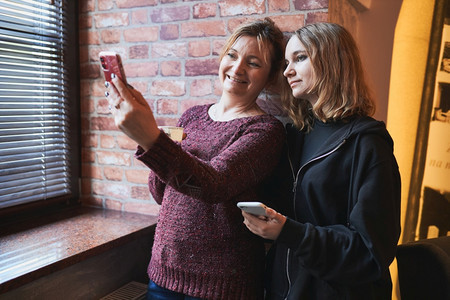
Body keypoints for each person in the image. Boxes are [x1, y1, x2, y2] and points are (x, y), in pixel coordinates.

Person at [105, 18, 286, 300]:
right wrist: (153, 141)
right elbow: (161, 194)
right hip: (163, 272)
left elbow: (215, 184)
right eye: (232, 55)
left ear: (270, 76)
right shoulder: (192, 116)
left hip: (223, 285)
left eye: (253, 63)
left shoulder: (266, 130)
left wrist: (153, 140)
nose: (237, 68)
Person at [242, 22, 401, 299]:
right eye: (286, 62)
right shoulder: (293, 136)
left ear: (332, 60)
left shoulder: (367, 143)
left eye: (300, 58)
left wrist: (290, 232)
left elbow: (371, 251)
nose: (288, 70)